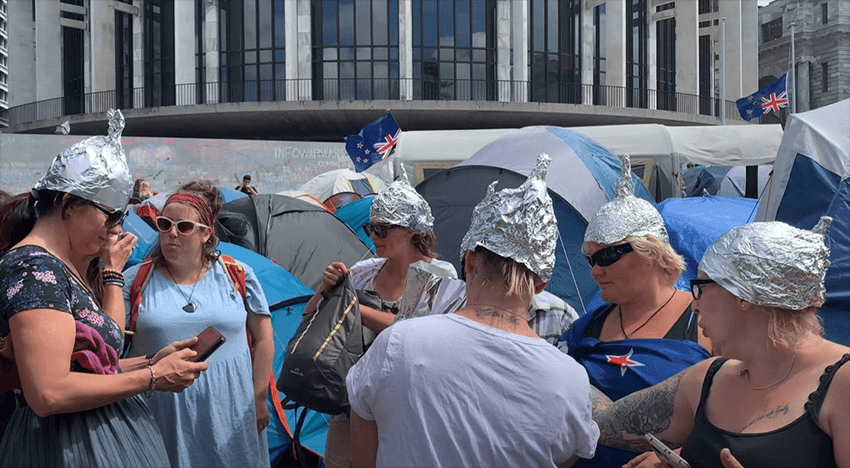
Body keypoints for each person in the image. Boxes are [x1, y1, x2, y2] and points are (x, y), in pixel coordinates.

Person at [348, 155, 599, 468]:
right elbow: (568, 455)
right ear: (541, 284)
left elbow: (363, 440)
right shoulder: (570, 380)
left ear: (468, 262)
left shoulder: (397, 343)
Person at [0, 110, 207, 468]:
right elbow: (49, 391)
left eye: (121, 218)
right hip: (68, 447)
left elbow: (89, 369)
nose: (116, 229)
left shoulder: (57, 265)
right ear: (68, 203)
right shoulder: (34, 267)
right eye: (110, 215)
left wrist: (150, 361)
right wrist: (153, 377)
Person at [593, 218, 849, 468]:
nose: (694, 305)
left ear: (743, 295)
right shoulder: (708, 378)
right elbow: (600, 421)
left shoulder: (841, 382)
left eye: (701, 288)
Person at [559, 154, 712, 467]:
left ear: (650, 252)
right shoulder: (584, 329)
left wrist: (680, 455)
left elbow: (742, 411)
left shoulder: (704, 320)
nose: (595, 271)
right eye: (590, 260)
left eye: (607, 256)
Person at [307, 167, 458, 468]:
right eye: (370, 228)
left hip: (407, 410)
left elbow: (410, 332)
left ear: (412, 230)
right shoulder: (364, 272)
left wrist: (353, 309)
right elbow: (311, 317)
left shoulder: (436, 275)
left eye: (382, 229)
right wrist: (325, 289)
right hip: (350, 405)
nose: (374, 236)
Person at [122, 180, 274, 468]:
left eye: (184, 227)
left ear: (207, 234)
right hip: (163, 418)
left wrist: (259, 398)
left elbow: (264, 338)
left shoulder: (237, 274)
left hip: (233, 415)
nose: (172, 234)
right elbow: (111, 354)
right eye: (165, 224)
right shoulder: (134, 280)